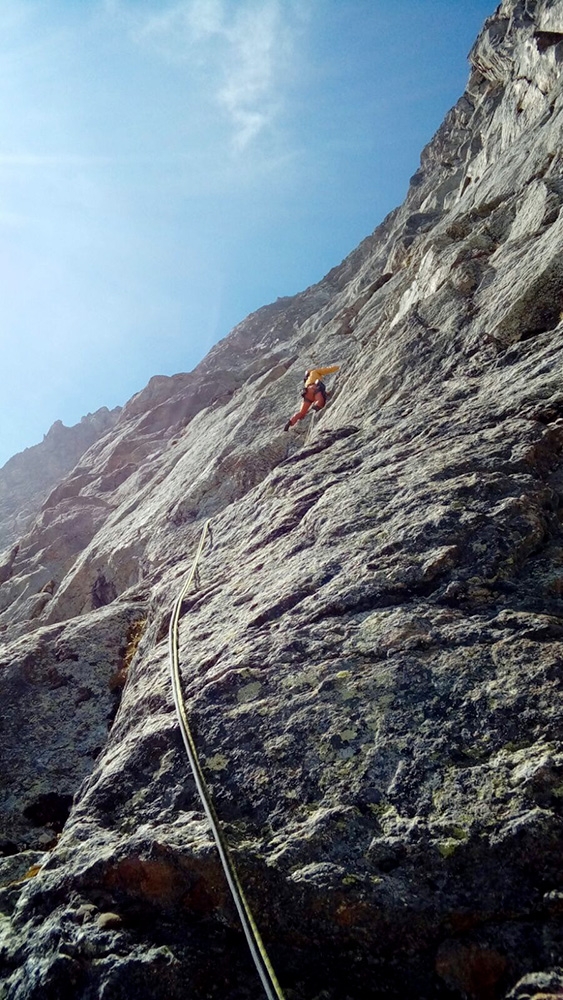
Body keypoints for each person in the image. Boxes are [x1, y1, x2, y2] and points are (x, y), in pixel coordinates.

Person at [284, 364, 340, 431]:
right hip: (314, 388)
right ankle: (317, 406)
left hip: (307, 393)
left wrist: (326, 393)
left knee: (302, 412)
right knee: (320, 400)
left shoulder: (306, 382)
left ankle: (290, 422)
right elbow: (327, 370)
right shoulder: (314, 372)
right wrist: (338, 367)